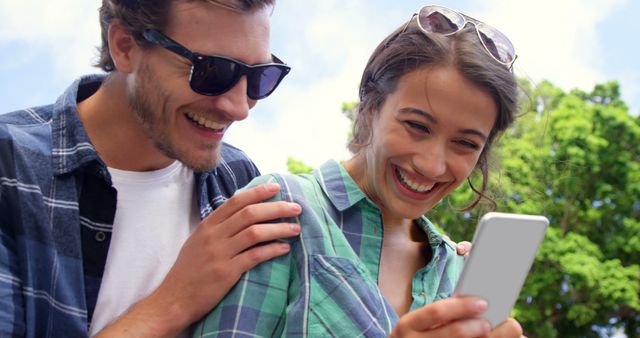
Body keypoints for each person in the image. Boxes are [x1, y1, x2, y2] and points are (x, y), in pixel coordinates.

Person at [0, 1, 472, 337]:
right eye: (212, 71)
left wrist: (431, 261)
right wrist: (173, 301)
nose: (239, 107)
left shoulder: (239, 180)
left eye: (260, 78)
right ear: (124, 46)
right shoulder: (12, 168)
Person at [194, 4, 525, 338]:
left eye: (465, 143)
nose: (432, 165)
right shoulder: (279, 211)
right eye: (416, 125)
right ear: (370, 108)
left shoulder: (456, 270)